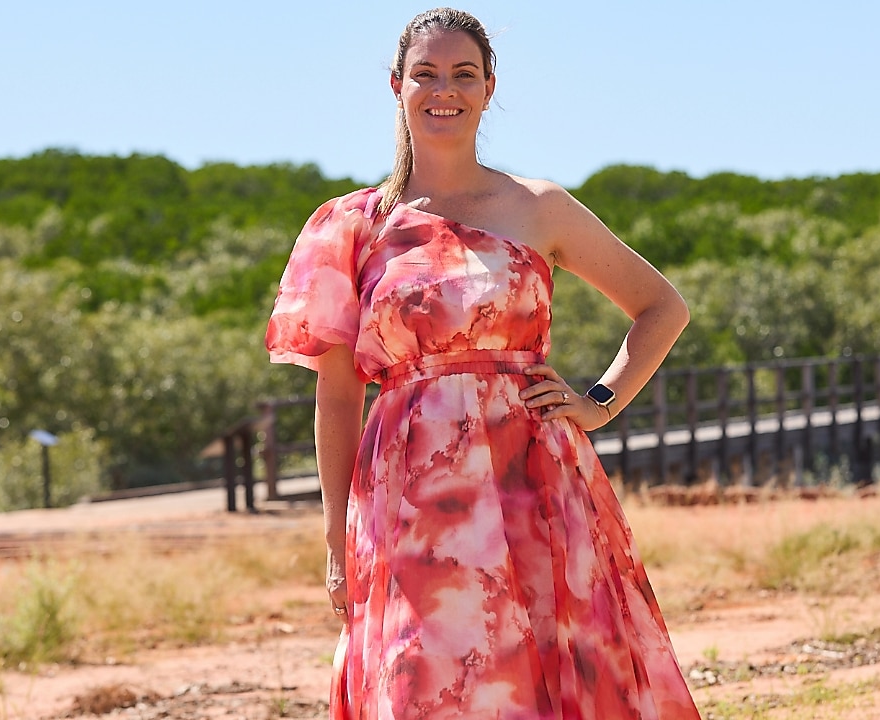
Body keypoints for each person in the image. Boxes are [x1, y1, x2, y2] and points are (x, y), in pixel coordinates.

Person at [266, 7, 701, 718]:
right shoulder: (352, 226)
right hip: (408, 496)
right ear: (396, 86)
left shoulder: (540, 206)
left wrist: (599, 403)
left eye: (464, 74)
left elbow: (661, 306)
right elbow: (338, 398)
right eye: (426, 74)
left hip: (535, 479)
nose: (446, 89)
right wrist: (335, 540)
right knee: (425, 679)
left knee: (548, 667)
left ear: (489, 87)